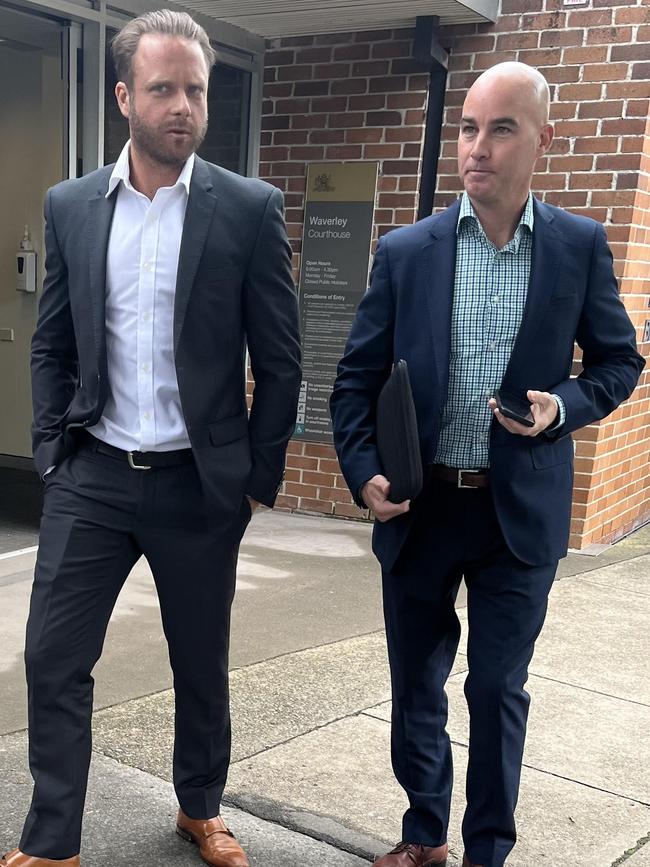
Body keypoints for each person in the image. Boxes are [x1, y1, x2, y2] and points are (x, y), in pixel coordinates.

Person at [2, 10, 301, 867]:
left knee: (200, 660)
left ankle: (200, 807)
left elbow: (280, 363)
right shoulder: (72, 207)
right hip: (92, 474)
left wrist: (255, 477)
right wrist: (52, 454)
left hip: (198, 486)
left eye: (196, 90)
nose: (183, 105)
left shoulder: (246, 209)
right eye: (164, 88)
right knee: (53, 655)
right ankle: (54, 838)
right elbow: (53, 342)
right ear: (126, 96)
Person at [330, 61, 644, 867]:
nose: (478, 147)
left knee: (495, 687)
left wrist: (563, 408)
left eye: (501, 128)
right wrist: (363, 469)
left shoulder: (577, 247)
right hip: (422, 504)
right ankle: (424, 833)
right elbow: (356, 380)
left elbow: (618, 360)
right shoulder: (408, 252)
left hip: (518, 513)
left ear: (543, 138)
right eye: (470, 127)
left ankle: (487, 851)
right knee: (417, 686)